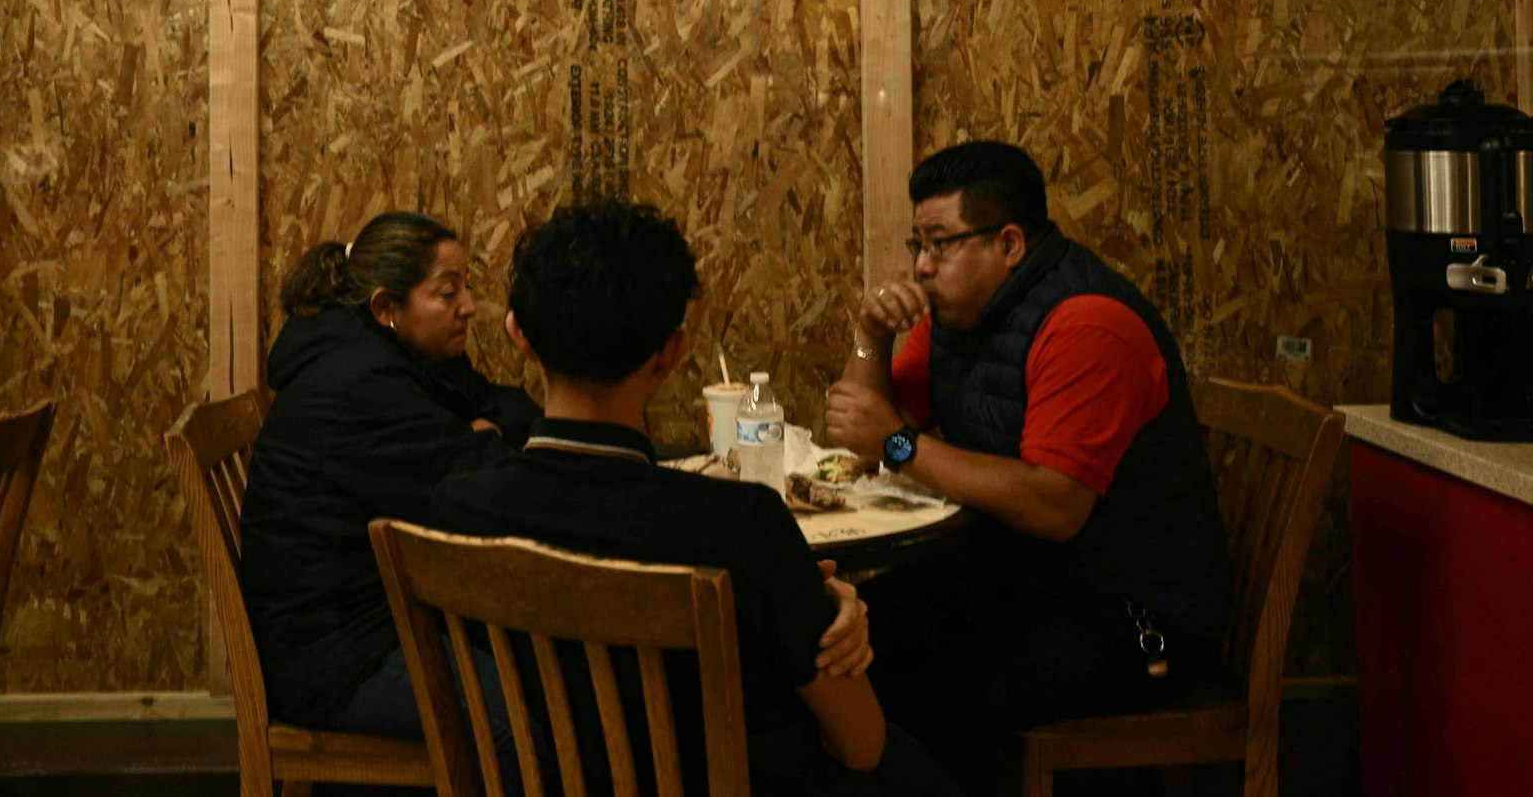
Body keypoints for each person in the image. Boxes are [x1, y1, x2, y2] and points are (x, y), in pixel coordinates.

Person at [431, 201, 958, 797]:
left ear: (519, 336)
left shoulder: (453, 513)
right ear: (673, 353)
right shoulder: (742, 525)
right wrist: (817, 610)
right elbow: (862, 746)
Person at [823, 141, 1233, 793]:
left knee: (926, 682)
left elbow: (1054, 506)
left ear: (1009, 244)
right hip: (1039, 581)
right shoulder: (959, 312)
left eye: (940, 244)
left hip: (1136, 620)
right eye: (917, 246)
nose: (922, 268)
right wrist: (870, 337)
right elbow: (858, 434)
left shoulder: (1086, 325)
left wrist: (899, 444)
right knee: (852, 633)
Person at [241, 211, 540, 741]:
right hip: (339, 655)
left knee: (557, 675)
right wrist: (480, 437)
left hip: (387, 615)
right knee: (533, 723)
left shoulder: (402, 355)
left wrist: (481, 429)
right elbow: (474, 490)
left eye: (466, 288)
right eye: (448, 293)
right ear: (385, 307)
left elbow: (507, 407)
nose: (470, 307)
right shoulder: (359, 382)